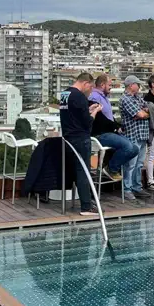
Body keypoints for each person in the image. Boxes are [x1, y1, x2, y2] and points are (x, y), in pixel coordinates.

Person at [58, 71, 98, 216]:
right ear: (86, 83)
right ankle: (86, 207)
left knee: (77, 171)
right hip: (81, 138)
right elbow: (87, 123)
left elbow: (72, 115)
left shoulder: (64, 94)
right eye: (91, 87)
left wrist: (87, 110)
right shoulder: (80, 96)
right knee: (83, 172)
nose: (91, 90)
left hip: (68, 138)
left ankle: (86, 202)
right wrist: (94, 113)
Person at [89, 74, 138, 181]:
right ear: (102, 85)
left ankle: (110, 168)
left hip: (109, 132)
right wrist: (114, 127)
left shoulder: (104, 97)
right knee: (128, 147)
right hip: (101, 134)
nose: (111, 87)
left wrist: (117, 126)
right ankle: (111, 169)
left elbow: (109, 118)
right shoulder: (94, 97)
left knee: (134, 149)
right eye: (109, 85)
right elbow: (99, 119)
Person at [119, 75, 151, 199]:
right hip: (132, 135)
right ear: (131, 85)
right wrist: (142, 114)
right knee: (130, 164)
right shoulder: (125, 99)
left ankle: (136, 187)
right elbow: (141, 114)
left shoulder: (138, 97)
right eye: (138, 84)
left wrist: (143, 113)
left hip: (142, 135)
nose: (139, 87)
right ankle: (127, 189)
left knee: (139, 164)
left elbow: (149, 110)